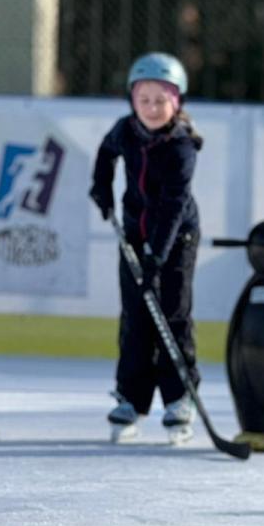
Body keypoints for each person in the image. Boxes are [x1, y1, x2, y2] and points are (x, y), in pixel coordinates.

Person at [89, 52, 203, 444]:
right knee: (136, 317)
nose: (152, 108)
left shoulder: (182, 147)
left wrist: (157, 253)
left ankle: (179, 399)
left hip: (176, 240)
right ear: (132, 102)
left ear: (177, 102)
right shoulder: (126, 130)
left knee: (171, 314)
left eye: (161, 100)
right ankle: (130, 400)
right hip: (135, 238)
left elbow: (173, 206)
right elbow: (106, 154)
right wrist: (101, 187)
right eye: (144, 100)